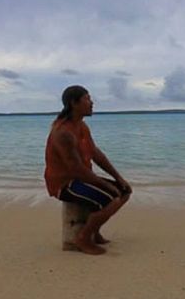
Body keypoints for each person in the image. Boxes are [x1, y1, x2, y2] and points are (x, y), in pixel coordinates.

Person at [44, 85, 132, 255]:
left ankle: (94, 230)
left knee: (124, 191)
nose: (92, 103)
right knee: (111, 199)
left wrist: (118, 178)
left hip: (81, 178)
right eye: (87, 99)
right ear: (74, 103)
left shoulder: (81, 126)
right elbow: (76, 169)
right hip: (64, 184)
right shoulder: (63, 133)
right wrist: (106, 186)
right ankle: (82, 238)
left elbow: (95, 154)